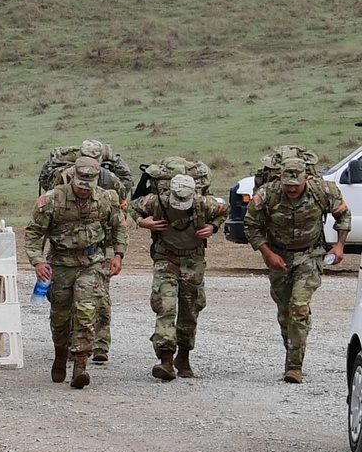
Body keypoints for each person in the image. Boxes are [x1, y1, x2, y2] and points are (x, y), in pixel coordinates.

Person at [244, 155, 351, 383]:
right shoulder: (267, 194)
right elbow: (251, 225)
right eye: (288, 186)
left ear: (306, 178)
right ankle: (293, 346)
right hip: (278, 256)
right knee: (285, 313)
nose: (292, 190)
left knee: (298, 307)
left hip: (310, 255)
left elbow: (343, 214)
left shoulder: (323, 190)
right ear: (280, 180)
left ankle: (294, 366)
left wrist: (339, 245)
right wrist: (268, 254)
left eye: (296, 185)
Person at [24, 157, 128, 389]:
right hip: (60, 263)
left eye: (88, 187)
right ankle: (60, 353)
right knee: (60, 315)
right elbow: (33, 234)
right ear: (73, 179)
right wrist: (38, 262)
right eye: (80, 186)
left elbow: (118, 228)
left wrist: (118, 255)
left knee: (86, 310)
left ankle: (81, 365)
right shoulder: (51, 200)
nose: (84, 191)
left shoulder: (104, 199)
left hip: (91, 262)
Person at [129, 174, 227, 380]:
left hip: (193, 261)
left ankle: (183, 356)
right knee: (165, 307)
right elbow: (131, 206)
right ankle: (165, 360)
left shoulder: (205, 204)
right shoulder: (157, 202)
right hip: (166, 259)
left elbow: (223, 210)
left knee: (190, 311)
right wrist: (143, 222)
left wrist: (213, 227)